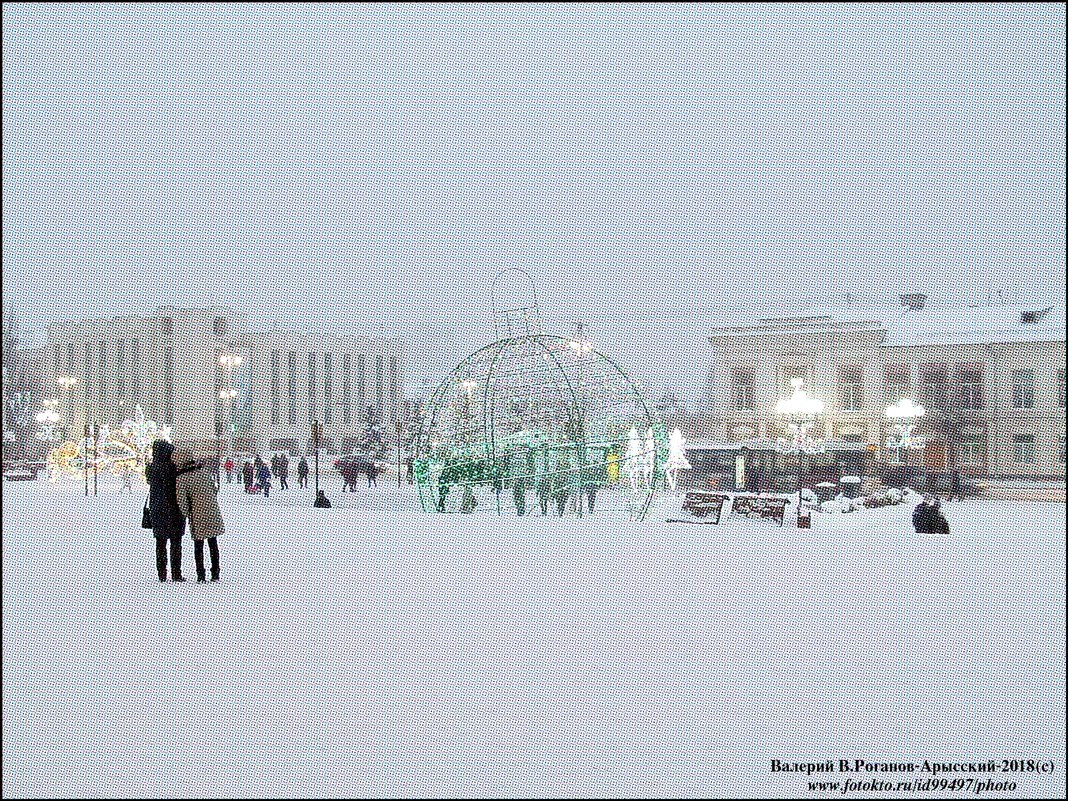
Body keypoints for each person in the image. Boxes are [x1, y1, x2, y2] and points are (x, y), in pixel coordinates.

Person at [172, 447, 224, 583]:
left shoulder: (182, 478)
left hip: (197, 515)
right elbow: (214, 489)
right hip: (212, 512)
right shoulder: (204, 472)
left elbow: (181, 501)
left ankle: (201, 574)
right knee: (213, 543)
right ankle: (215, 572)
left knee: (198, 545)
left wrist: (188, 513)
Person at [144, 440, 186, 582]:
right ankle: (176, 573)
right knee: (176, 542)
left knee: (160, 543)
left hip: (157, 509)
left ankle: (162, 574)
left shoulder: (150, 468)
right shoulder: (172, 469)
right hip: (174, 508)